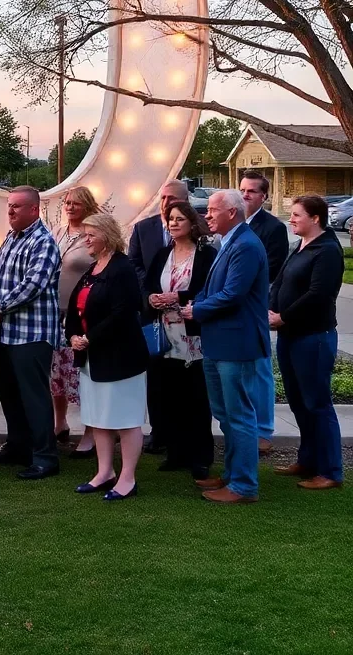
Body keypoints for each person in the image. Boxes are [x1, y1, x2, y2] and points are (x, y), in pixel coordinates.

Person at [181, 189, 270, 504]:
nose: (206, 215)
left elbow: (234, 293)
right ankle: (233, 475)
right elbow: (211, 287)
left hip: (237, 343)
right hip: (219, 342)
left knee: (239, 415)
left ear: (231, 212)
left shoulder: (245, 245)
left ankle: (244, 486)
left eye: (212, 210)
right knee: (225, 413)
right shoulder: (229, 242)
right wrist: (197, 304)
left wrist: (197, 310)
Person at [0, 185, 62, 480]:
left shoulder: (43, 242)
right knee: (10, 395)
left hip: (31, 334)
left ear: (34, 210)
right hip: (4, 334)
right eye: (9, 206)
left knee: (34, 397)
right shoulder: (10, 238)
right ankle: (18, 447)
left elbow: (33, 285)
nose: (10, 211)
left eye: (16, 206)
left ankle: (45, 457)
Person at [66, 214, 148, 500]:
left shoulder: (121, 268)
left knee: (125, 419)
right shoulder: (92, 269)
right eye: (84, 234)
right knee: (98, 417)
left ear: (107, 235)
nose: (85, 239)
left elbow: (123, 312)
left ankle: (127, 478)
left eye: (91, 235)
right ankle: (104, 472)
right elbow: (77, 306)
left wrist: (90, 338)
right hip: (92, 358)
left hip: (120, 357)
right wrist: (73, 336)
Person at [269, 195, 345, 491]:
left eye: (297, 215)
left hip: (313, 337)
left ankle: (331, 471)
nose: (291, 219)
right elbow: (280, 282)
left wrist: (284, 317)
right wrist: (271, 310)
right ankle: (308, 459)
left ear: (316, 218)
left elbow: (319, 295)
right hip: (290, 337)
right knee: (299, 402)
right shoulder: (298, 246)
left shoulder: (327, 251)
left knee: (317, 403)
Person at [142, 200, 216, 480]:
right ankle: (176, 452)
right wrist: (151, 298)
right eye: (170, 219)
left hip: (192, 336)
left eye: (179, 219)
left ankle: (200, 457)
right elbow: (148, 285)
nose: (173, 223)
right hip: (163, 334)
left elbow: (206, 289)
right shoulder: (163, 254)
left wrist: (179, 297)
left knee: (196, 397)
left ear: (192, 224)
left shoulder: (206, 254)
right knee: (168, 395)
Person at [128, 177, 189, 455]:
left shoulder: (195, 230)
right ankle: (158, 431)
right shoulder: (144, 228)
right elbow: (134, 264)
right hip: (151, 313)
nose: (166, 204)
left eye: (172, 199)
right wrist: (150, 293)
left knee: (182, 377)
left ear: (184, 201)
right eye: (163, 198)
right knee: (155, 376)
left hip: (184, 318)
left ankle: (180, 431)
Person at [240, 170, 289, 456]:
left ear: (263, 196)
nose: (245, 194)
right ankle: (244, 428)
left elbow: (273, 270)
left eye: (251, 191)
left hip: (256, 306)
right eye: (243, 189)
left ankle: (264, 430)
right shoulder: (228, 223)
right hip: (230, 311)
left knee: (259, 371)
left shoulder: (273, 228)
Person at [51, 187, 100, 457]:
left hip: (81, 315)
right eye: (67, 203)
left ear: (88, 206)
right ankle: (59, 424)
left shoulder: (93, 235)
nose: (70, 207)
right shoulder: (57, 232)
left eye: (76, 203)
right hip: (53, 312)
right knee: (55, 373)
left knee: (80, 375)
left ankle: (91, 432)